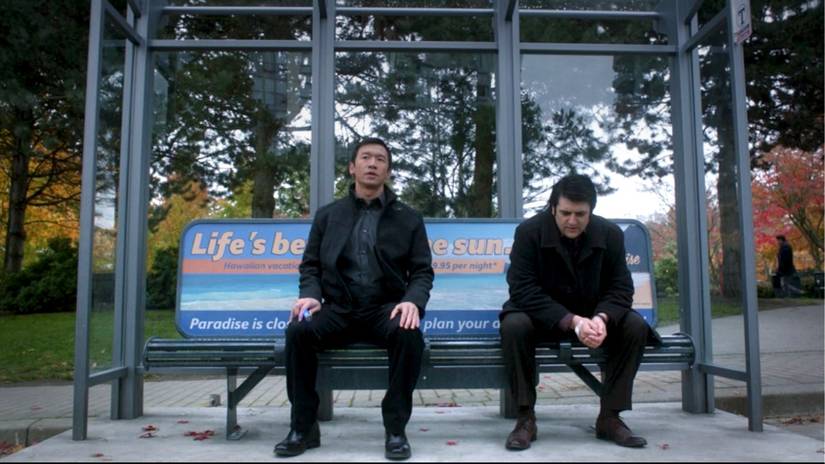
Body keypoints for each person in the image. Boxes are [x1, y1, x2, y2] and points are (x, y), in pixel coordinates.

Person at [274, 137, 434, 461]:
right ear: (352, 167)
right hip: (338, 310)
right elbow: (311, 266)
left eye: (380, 159)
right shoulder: (327, 215)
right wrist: (310, 297)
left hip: (384, 310)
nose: (372, 163)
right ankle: (303, 428)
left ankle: (395, 430)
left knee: (409, 334)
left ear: (388, 170)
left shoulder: (408, 218)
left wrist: (412, 302)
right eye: (365, 158)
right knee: (298, 331)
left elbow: (422, 272)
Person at [499, 173, 660, 450]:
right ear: (553, 208)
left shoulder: (610, 234)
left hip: (594, 316)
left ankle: (610, 417)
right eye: (565, 213)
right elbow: (522, 290)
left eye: (580, 214)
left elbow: (621, 288)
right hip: (543, 317)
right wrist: (572, 321)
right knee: (513, 325)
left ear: (591, 211)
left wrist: (601, 319)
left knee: (635, 326)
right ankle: (525, 417)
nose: (572, 221)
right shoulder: (529, 232)